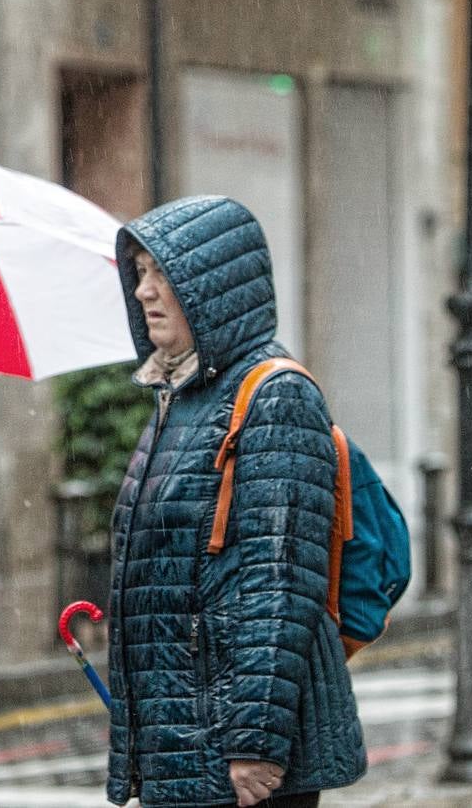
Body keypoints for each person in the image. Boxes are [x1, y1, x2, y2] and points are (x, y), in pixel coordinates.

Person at [105, 196, 365, 808]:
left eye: (162, 274)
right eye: (139, 273)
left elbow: (278, 586)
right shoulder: (181, 396)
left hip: (236, 755)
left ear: (212, 286)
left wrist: (256, 743)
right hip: (185, 744)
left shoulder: (273, 395)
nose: (144, 291)